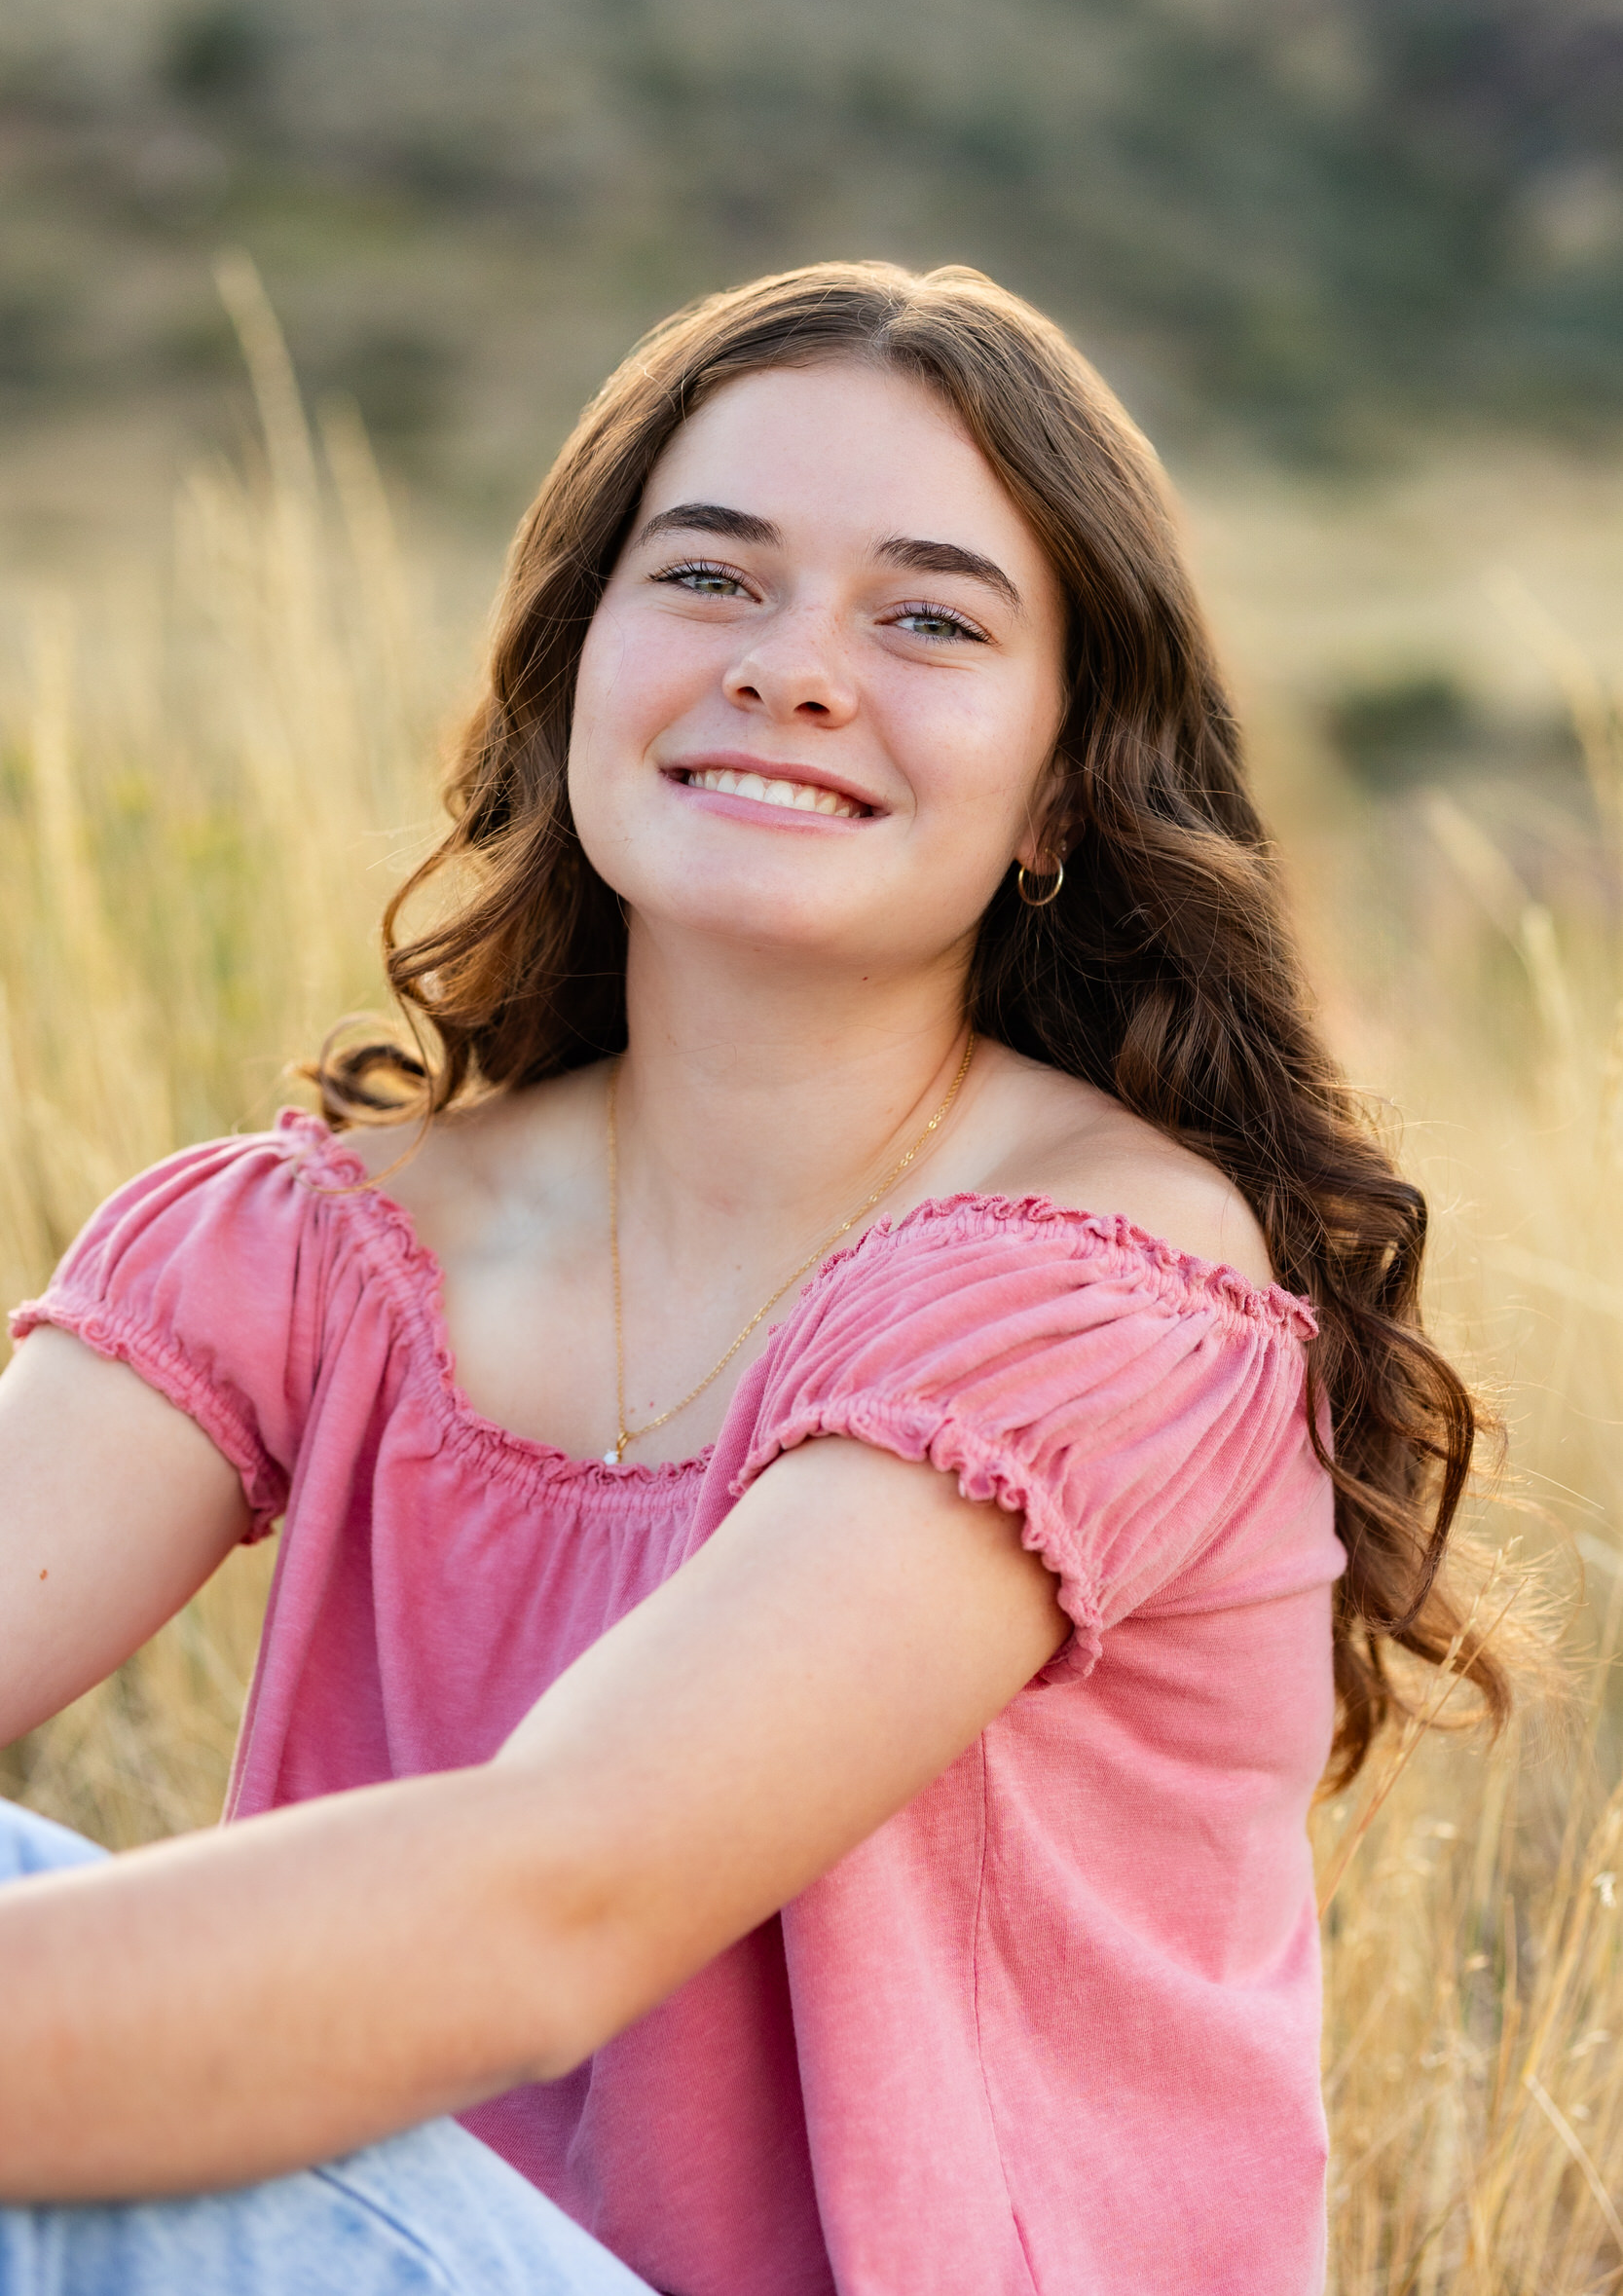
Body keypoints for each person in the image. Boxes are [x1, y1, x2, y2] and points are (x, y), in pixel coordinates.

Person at [0, 262, 1505, 2295]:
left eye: (929, 618)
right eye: (709, 578)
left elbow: (553, 1903)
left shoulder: (1095, 1291)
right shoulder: (315, 1246)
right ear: (572, 665)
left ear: (1067, 778)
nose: (797, 668)